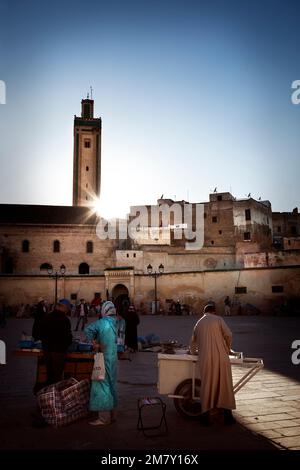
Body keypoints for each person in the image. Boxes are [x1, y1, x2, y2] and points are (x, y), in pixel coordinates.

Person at [189, 302, 236, 425]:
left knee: (207, 385)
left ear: (204, 312)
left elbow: (193, 342)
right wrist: (227, 348)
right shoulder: (218, 319)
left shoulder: (199, 322)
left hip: (205, 359)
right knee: (224, 385)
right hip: (221, 357)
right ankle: (228, 416)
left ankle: (205, 416)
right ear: (214, 311)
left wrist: (193, 352)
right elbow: (229, 334)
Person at [84, 300, 118, 426]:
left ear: (104, 310)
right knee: (112, 385)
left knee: (102, 386)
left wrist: (94, 342)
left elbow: (88, 330)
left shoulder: (101, 323)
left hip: (101, 358)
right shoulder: (117, 323)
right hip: (113, 359)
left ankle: (104, 418)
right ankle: (113, 415)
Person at [40, 299, 72, 385]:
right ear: (64, 308)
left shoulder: (46, 317)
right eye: (67, 309)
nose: (67, 311)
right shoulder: (65, 320)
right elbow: (68, 338)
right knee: (57, 376)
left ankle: (49, 394)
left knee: (49, 374)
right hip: (59, 351)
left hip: (47, 350)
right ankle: (55, 395)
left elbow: (40, 333)